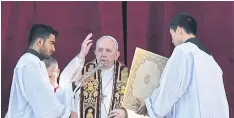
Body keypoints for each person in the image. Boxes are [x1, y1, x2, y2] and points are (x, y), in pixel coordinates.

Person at [110, 13, 229, 118]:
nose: (172, 40)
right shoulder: (211, 60)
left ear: (179, 30)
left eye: (171, 34)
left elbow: (171, 86)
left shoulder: (183, 51)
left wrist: (149, 103)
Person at [6, 24, 71, 118]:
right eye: (51, 43)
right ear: (40, 42)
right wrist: (67, 115)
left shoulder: (33, 62)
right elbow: (44, 101)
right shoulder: (29, 64)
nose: (54, 49)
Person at [59, 34, 129, 118]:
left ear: (116, 55)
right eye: (100, 50)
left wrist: (126, 113)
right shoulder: (85, 71)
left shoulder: (127, 75)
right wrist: (81, 55)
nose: (103, 54)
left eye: (108, 50)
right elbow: (63, 83)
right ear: (95, 53)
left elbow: (138, 107)